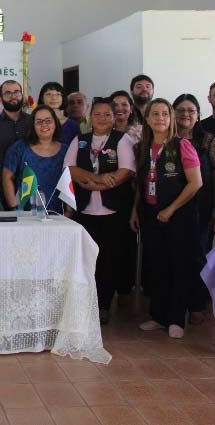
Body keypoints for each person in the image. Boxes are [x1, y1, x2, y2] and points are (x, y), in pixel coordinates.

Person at [130, 99, 202, 339]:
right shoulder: (142, 147)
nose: (160, 118)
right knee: (156, 267)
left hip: (178, 216)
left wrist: (171, 209)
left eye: (165, 114)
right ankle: (158, 317)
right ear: (147, 119)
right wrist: (135, 210)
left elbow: (196, 183)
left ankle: (175, 319)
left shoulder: (181, 145)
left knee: (178, 267)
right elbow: (141, 183)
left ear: (171, 119)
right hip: (151, 215)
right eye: (155, 114)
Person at [64, 98, 135, 324]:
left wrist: (99, 185)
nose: (102, 118)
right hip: (84, 211)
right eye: (97, 114)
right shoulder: (80, 140)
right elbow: (70, 168)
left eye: (107, 114)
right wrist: (97, 179)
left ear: (114, 118)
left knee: (109, 260)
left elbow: (126, 171)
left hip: (114, 211)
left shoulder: (122, 140)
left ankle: (104, 305)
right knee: (86, 260)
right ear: (90, 116)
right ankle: (86, 304)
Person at [174, 93, 215, 325]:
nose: (186, 114)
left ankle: (196, 305)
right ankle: (172, 306)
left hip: (200, 208)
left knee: (198, 256)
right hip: (170, 207)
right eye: (181, 110)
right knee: (173, 257)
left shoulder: (208, 139)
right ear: (174, 112)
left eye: (191, 110)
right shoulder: (167, 137)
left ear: (197, 115)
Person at [2, 105, 66, 214]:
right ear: (32, 125)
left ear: (55, 123)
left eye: (48, 120)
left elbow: (70, 183)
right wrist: (14, 208)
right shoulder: (19, 148)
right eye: (39, 121)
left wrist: (69, 211)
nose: (44, 124)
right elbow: (7, 177)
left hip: (59, 214)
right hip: (26, 213)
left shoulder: (66, 150)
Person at [109, 89, 142, 298]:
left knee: (127, 243)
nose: (120, 109)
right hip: (103, 191)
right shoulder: (101, 129)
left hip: (130, 192)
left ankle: (125, 289)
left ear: (131, 109)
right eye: (115, 105)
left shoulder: (139, 132)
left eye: (124, 105)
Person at [0, 80, 31, 205]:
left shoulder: (33, 122)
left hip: (31, 183)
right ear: (0, 98)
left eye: (16, 92)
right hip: (2, 187)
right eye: (8, 93)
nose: (13, 96)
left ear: (22, 95)